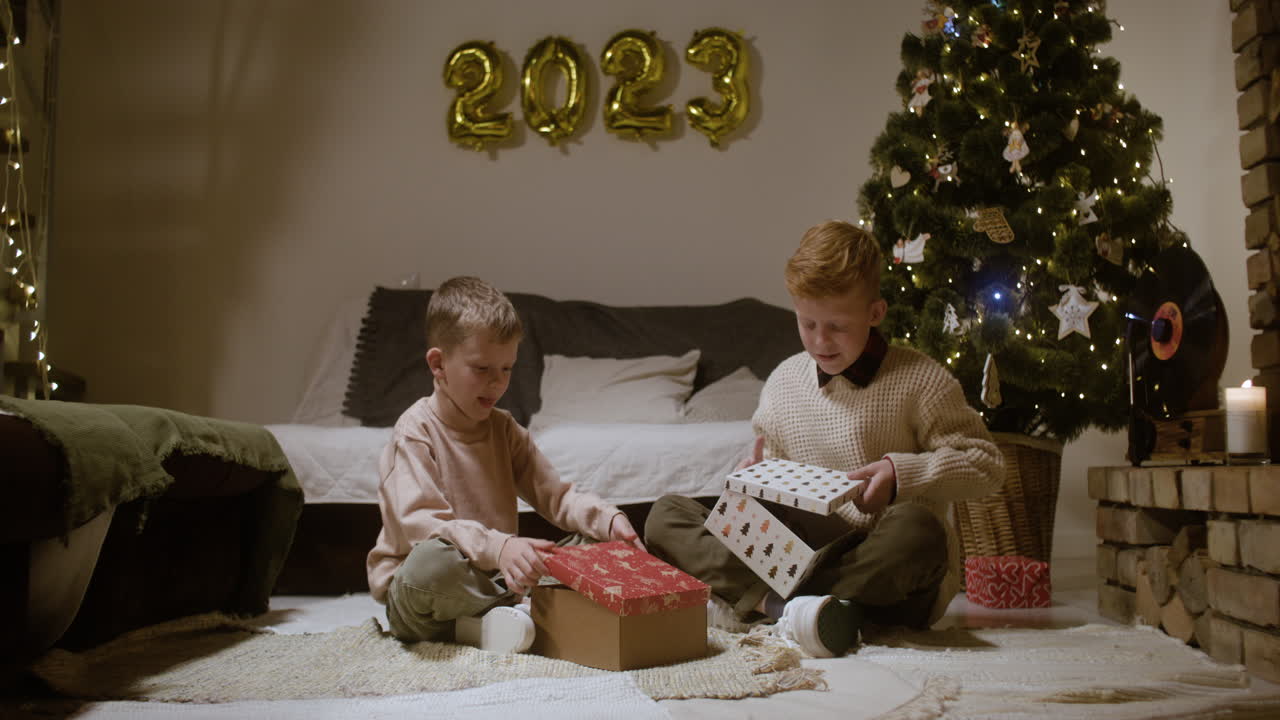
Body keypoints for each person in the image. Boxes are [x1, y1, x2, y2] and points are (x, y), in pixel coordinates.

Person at [645, 220, 1003, 658]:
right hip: (799, 556)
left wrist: (899, 474)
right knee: (666, 514)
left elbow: (986, 466)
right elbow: (774, 494)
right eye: (807, 323)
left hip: (881, 565)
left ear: (875, 313)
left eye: (836, 326)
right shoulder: (783, 382)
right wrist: (751, 489)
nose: (820, 341)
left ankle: (776, 605)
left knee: (920, 530)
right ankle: (815, 611)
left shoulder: (921, 379)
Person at [367, 276, 643, 653]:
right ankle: (523, 613)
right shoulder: (414, 433)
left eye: (507, 369)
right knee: (432, 563)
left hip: (501, 578)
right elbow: (424, 529)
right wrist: (500, 547)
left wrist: (608, 520)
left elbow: (557, 497)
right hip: (426, 597)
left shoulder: (505, 429)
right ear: (438, 364)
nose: (497, 383)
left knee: (595, 541)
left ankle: (488, 625)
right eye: (482, 369)